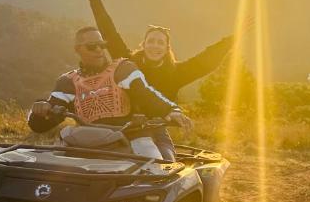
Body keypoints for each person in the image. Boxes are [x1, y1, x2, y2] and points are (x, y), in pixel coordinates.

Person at [28, 26, 192, 160]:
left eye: (102, 45)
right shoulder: (67, 82)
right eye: (92, 46)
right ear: (78, 49)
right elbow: (40, 126)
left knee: (158, 171)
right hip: (87, 141)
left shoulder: (123, 69)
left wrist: (171, 110)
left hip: (132, 136)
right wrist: (41, 109)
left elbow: (145, 93)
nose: (99, 50)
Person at [80, 0, 244, 104]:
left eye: (160, 43)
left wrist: (232, 39)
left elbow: (206, 60)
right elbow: (109, 32)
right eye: (151, 41)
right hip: (123, 128)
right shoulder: (128, 63)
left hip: (156, 131)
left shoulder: (177, 73)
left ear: (167, 48)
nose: (155, 46)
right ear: (143, 45)